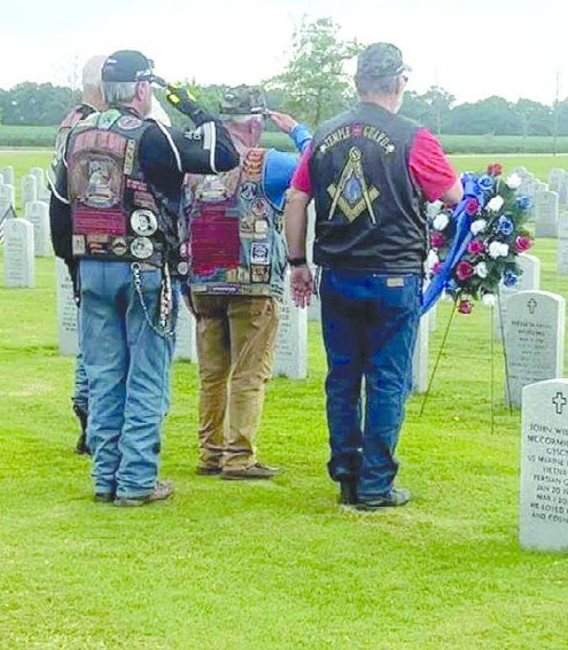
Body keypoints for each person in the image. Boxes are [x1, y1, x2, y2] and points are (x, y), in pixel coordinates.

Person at [50, 49, 239, 506]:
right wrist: (187, 101)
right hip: (145, 272)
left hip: (91, 268)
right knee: (147, 376)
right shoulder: (152, 136)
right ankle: (136, 479)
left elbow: (60, 209)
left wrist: (76, 270)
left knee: (104, 376)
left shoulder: (74, 136)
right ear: (142, 89)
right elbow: (222, 152)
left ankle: (104, 477)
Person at [284, 43, 462, 509]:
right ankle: (376, 484)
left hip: (338, 272)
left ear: (357, 82)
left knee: (342, 377)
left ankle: (346, 473)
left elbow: (297, 199)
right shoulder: (412, 137)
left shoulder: (324, 135)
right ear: (400, 82)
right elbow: (452, 193)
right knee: (387, 379)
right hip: (393, 275)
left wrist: (297, 262)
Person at [181, 87, 311, 480]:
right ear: (255, 124)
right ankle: (239, 457)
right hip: (253, 286)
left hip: (203, 282)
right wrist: (298, 131)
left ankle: (210, 453)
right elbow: (317, 167)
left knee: (212, 374)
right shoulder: (267, 162)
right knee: (249, 373)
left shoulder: (193, 166)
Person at [50, 55, 107, 456]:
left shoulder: (70, 121)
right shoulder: (91, 128)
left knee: (92, 337)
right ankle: (91, 419)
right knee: (96, 340)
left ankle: (88, 416)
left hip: (76, 242)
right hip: (93, 240)